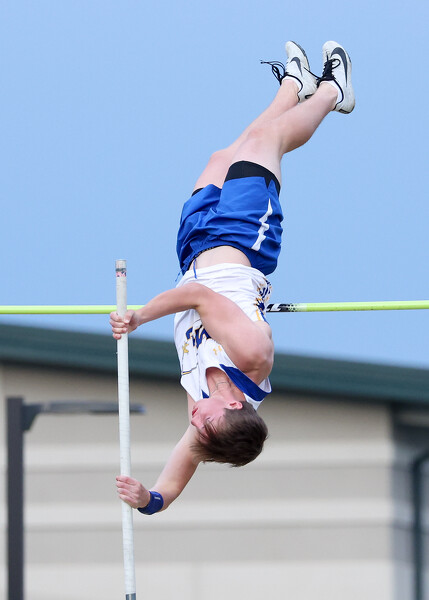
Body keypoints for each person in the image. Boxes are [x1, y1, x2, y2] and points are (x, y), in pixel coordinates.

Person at [111, 40, 355, 515]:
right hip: (243, 240)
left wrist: (149, 500)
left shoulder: (206, 412)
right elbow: (197, 296)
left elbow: (174, 479)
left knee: (224, 155)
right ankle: (332, 94)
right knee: (265, 142)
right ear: (235, 407)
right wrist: (138, 318)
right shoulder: (252, 356)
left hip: (196, 246)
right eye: (204, 424)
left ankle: (296, 85)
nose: (193, 422)